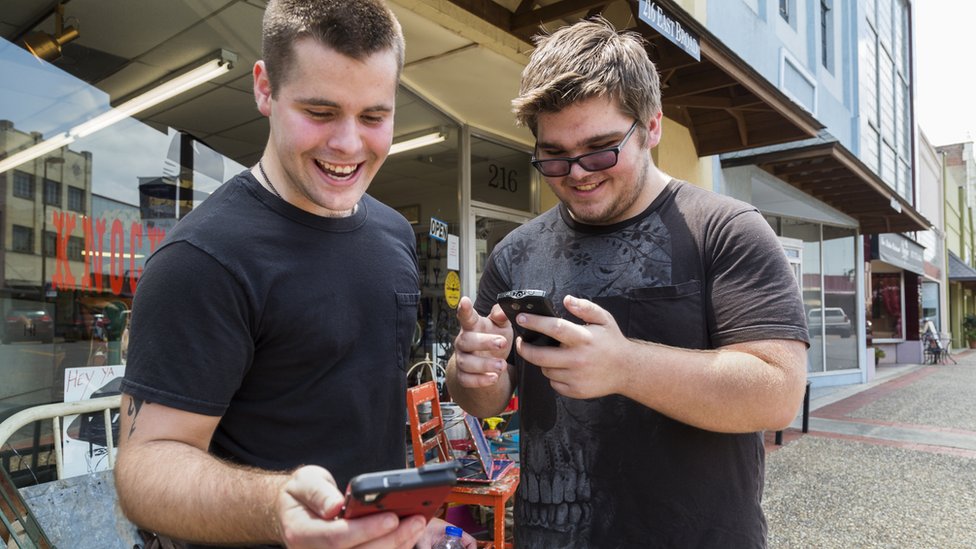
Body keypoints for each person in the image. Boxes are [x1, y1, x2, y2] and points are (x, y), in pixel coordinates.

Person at [115, 1, 474, 548]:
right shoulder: (202, 258)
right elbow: (144, 472)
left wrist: (411, 525)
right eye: (321, 112)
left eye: (374, 116)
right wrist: (275, 507)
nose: (349, 145)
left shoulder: (394, 234)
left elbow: (360, 420)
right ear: (264, 88)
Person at [446, 17, 809, 548]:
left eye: (599, 149)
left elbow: (778, 393)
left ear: (653, 125)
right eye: (553, 155)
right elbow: (487, 400)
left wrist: (625, 365)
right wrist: (471, 372)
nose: (577, 173)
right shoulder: (515, 251)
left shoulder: (725, 230)